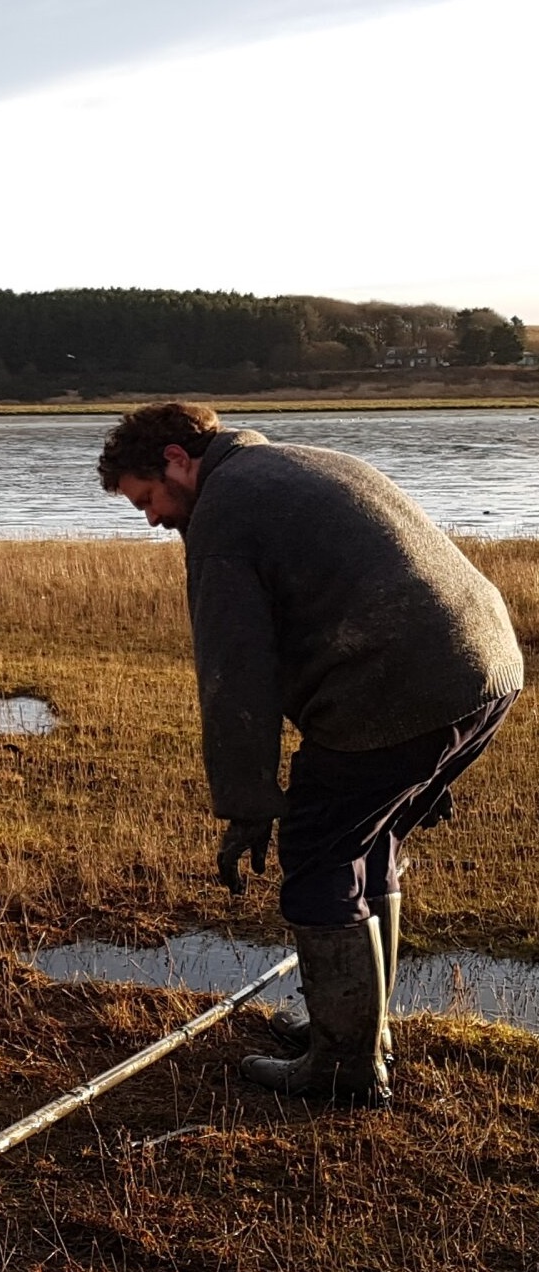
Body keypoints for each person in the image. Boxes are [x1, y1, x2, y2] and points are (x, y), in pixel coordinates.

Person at [97, 402, 522, 1107]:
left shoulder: (224, 514)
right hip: (485, 670)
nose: (150, 518)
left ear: (176, 459)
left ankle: (343, 1067)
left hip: (400, 683)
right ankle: (358, 1028)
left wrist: (246, 804)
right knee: (365, 841)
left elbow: (235, 673)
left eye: (148, 498)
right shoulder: (294, 462)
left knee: (319, 855)